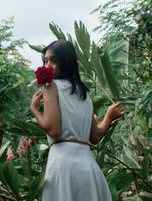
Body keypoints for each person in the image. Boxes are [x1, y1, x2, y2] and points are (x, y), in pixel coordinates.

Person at [30, 39, 125, 201]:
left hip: (62, 166)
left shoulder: (50, 86)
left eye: (54, 60)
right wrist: (109, 116)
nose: (47, 66)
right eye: (45, 61)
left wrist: (34, 109)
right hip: (87, 167)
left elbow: (53, 130)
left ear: (65, 62)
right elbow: (94, 137)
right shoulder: (84, 94)